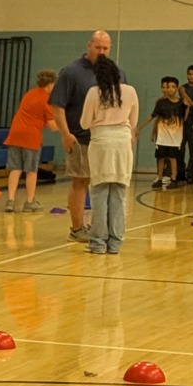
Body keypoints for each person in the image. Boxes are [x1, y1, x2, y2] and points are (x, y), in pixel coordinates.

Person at [49, 31, 126, 242]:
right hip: (80, 138)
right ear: (89, 45)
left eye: (106, 48)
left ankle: (103, 227)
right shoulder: (72, 72)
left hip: (107, 140)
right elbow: (57, 106)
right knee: (80, 181)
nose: (101, 52)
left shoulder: (117, 73)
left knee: (106, 183)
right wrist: (65, 134)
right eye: (97, 47)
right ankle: (77, 228)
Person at [79, 58, 139, 255]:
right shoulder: (130, 92)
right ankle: (115, 243)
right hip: (122, 143)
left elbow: (84, 123)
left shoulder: (93, 93)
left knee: (99, 195)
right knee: (118, 196)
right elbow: (134, 121)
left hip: (101, 144)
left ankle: (97, 243)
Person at [3, 69, 59, 212]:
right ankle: (30, 201)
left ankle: (10, 201)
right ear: (51, 84)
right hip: (31, 136)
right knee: (31, 170)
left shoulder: (29, 94)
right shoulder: (47, 100)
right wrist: (66, 125)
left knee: (15, 168)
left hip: (15, 133)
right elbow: (53, 126)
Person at [135, 76, 183, 190]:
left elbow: (186, 117)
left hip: (175, 137)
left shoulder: (182, 104)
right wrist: (140, 127)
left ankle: (174, 179)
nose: (169, 89)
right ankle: (160, 178)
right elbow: (153, 116)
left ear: (177, 89)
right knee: (160, 157)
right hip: (162, 136)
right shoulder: (161, 103)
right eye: (167, 87)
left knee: (173, 158)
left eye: (172, 87)